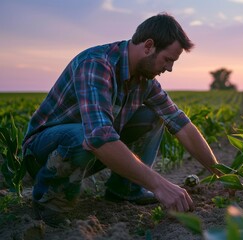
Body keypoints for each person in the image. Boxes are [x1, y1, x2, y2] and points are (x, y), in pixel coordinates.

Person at [22, 12, 221, 227]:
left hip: (87, 147)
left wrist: (221, 173)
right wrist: (160, 185)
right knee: (86, 134)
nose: (170, 68)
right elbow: (99, 137)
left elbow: (180, 123)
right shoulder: (96, 64)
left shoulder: (144, 80)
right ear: (148, 46)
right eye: (168, 59)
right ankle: (50, 201)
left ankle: (125, 189)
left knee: (154, 116)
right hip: (43, 151)